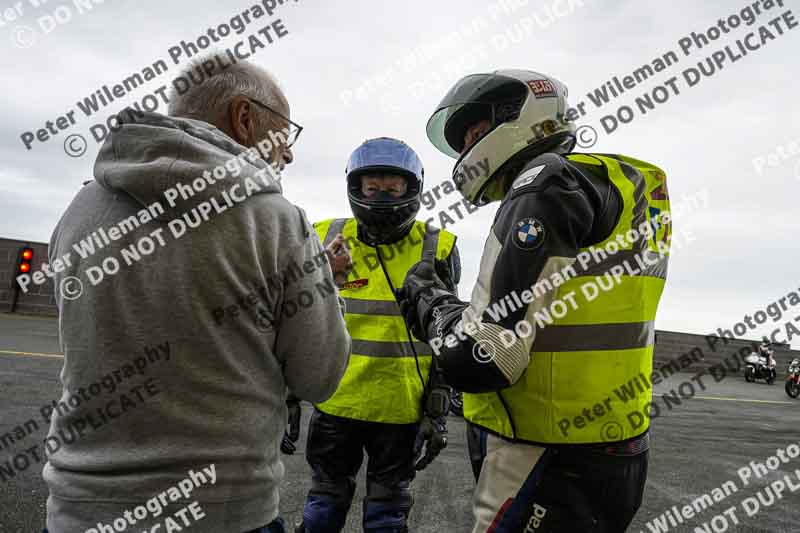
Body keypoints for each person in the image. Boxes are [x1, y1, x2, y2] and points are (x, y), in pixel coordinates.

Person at [44, 55, 352, 533]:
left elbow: (83, 330)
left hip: (79, 509)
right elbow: (320, 377)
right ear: (244, 118)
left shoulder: (79, 210)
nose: (287, 153)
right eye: (284, 131)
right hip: (226, 510)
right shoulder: (276, 221)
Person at [396, 70, 672, 532]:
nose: (467, 152)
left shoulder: (545, 183)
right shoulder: (629, 182)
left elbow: (484, 358)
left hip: (540, 452)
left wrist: (430, 300)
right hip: (618, 446)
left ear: (517, 113)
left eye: (474, 134)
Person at [296, 137, 461, 533]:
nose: (382, 197)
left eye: (393, 188)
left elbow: (449, 332)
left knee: (386, 516)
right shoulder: (324, 235)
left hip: (402, 409)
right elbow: (298, 319)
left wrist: (438, 410)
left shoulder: (438, 246)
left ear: (413, 189)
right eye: (373, 188)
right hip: (337, 405)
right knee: (323, 508)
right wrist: (287, 395)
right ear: (356, 188)